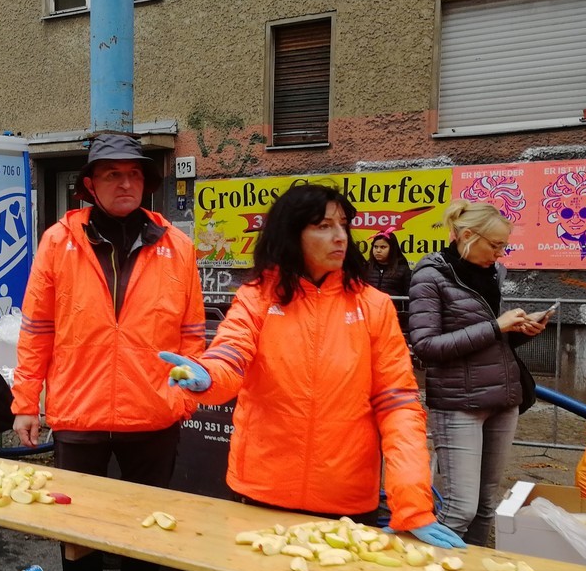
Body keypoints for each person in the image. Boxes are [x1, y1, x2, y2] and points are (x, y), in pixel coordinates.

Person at [160, 181, 463, 551]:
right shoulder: (255, 298)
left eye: (343, 225)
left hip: (346, 501)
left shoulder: (375, 306)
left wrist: (413, 506)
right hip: (263, 492)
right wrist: (206, 375)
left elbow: (399, 405)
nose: (340, 237)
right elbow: (230, 356)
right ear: (291, 234)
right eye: (323, 226)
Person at [11, 133, 205, 571]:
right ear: (90, 185)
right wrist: (26, 401)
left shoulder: (178, 248)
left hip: (153, 412)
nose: (126, 182)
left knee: (147, 532)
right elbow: (37, 328)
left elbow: (192, 334)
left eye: (135, 173)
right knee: (78, 531)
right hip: (80, 410)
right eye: (113, 174)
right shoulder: (59, 242)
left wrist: (182, 399)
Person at [409, 200, 551, 546]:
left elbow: (489, 340)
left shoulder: (491, 274)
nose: (501, 254)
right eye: (495, 244)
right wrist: (495, 326)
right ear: (468, 236)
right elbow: (426, 347)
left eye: (504, 245)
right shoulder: (429, 276)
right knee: (460, 508)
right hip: (459, 403)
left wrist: (518, 331)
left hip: (503, 398)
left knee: (487, 506)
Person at [363, 228, 412, 334]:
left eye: (383, 247)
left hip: (394, 320)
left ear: (392, 248)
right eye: (375, 247)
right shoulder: (366, 268)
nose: (378, 250)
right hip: (368, 319)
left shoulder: (403, 270)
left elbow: (408, 299)